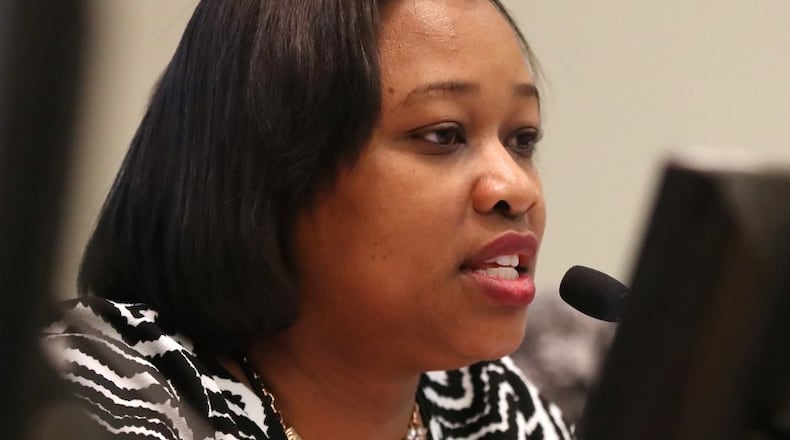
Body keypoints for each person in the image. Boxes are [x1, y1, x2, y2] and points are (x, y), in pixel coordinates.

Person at [42, 0, 577, 438]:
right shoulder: (102, 396)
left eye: (522, 140)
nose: (516, 189)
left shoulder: (494, 408)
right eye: (442, 135)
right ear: (269, 166)